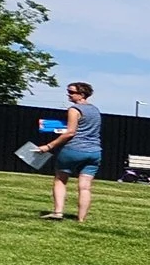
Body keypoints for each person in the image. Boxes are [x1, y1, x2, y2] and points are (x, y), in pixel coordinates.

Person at [32, 81, 103, 223]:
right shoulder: (95, 110)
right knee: (85, 187)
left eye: (71, 92)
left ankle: (58, 212)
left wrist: (48, 146)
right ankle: (81, 219)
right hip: (95, 152)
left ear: (82, 94)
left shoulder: (74, 109)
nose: (68, 94)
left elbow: (70, 133)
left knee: (60, 179)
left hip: (74, 149)